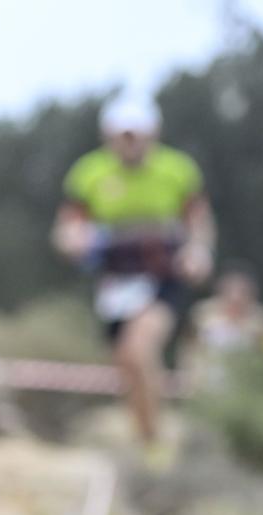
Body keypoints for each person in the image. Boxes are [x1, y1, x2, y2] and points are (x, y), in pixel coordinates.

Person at [54, 95, 216, 447]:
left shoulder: (177, 170)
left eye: (136, 135)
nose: (130, 144)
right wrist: (72, 240)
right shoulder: (88, 173)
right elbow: (68, 226)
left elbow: (199, 222)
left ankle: (155, 439)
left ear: (152, 135)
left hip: (162, 278)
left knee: (140, 347)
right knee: (126, 362)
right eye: (123, 136)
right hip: (115, 282)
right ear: (108, 137)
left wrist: (198, 251)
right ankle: (145, 436)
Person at [184, 263, 263, 389]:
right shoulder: (202, 314)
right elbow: (189, 350)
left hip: (248, 381)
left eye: (242, 292)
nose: (235, 297)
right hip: (207, 379)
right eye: (229, 290)